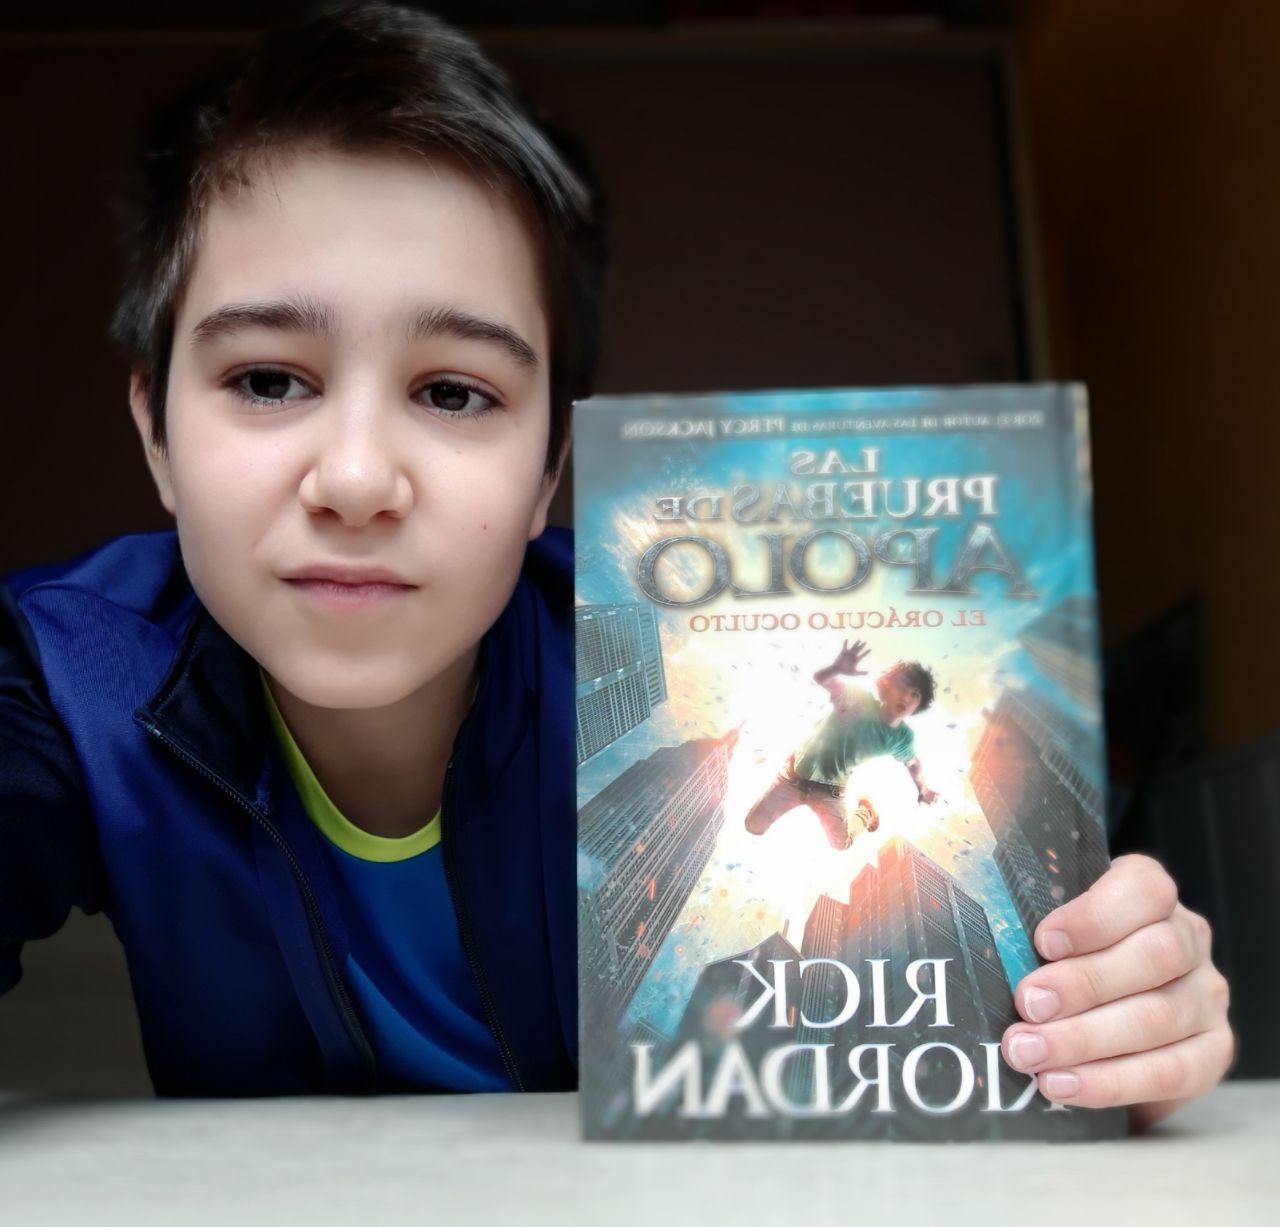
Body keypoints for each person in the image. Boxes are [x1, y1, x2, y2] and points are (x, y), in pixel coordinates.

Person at [0, 3, 1233, 1125]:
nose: (359, 479)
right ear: (156, 432)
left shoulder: (660, 677)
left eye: (452, 391)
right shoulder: (68, 676)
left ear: (550, 466)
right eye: (269, 380)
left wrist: (1111, 1013)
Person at [744, 640, 939, 851]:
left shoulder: (902, 738)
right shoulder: (858, 700)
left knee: (841, 843)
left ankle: (866, 812)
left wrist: (923, 789)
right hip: (793, 778)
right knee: (753, 826)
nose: (906, 697)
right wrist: (836, 668)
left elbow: (912, 763)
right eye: (902, 688)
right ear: (888, 687)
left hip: (830, 792)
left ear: (919, 705)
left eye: (915, 694)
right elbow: (822, 679)